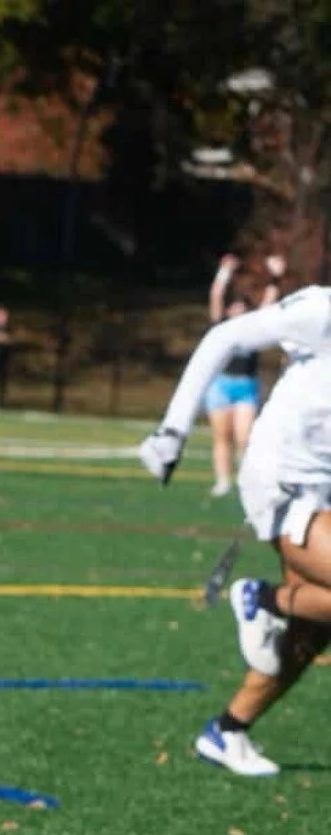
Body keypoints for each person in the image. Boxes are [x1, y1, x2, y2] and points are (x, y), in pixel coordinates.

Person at [138, 285, 331, 776]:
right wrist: (173, 429)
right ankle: (262, 601)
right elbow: (224, 337)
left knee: (316, 624)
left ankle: (227, 731)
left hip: (324, 489)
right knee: (305, 607)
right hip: (283, 479)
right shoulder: (319, 311)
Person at [203, 255, 265, 498]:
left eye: (243, 306)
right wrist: (224, 272)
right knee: (222, 436)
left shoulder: (255, 331)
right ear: (229, 311)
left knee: (244, 437)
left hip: (246, 386)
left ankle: (246, 480)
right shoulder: (221, 328)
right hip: (221, 385)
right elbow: (216, 295)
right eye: (235, 306)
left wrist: (274, 277)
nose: (238, 309)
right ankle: (222, 480)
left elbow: (270, 305)